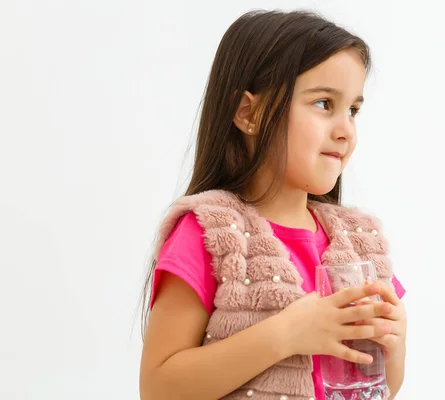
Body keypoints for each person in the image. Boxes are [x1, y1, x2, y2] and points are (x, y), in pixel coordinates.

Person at [139, 9, 407, 400]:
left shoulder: (361, 241)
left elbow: (380, 386)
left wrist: (394, 349)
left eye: (353, 110)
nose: (345, 130)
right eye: (323, 104)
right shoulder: (210, 233)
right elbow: (159, 388)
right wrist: (287, 334)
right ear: (249, 113)